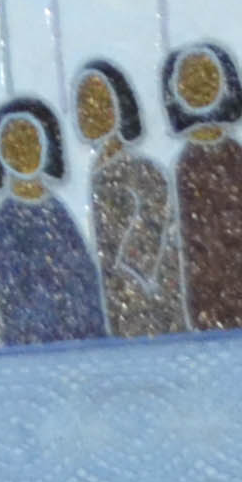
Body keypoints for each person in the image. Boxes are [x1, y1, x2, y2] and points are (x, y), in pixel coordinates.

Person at [164, 43, 242, 331]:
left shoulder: (240, 158)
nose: (198, 88)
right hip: (207, 298)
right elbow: (187, 239)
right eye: (189, 82)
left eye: (207, 78)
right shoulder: (185, 165)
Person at [73, 58, 186, 339]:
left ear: (120, 107)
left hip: (148, 295)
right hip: (117, 294)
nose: (90, 113)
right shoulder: (97, 172)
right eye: (83, 104)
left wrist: (130, 269)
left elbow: (157, 216)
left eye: (100, 102)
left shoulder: (140, 169)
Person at [0, 97, 107, 345]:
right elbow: (6, 284)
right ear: (2, 155)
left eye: (31, 142)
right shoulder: (6, 218)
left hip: (77, 332)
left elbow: (82, 273)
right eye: (12, 146)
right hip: (29, 336)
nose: (23, 153)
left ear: (45, 146)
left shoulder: (57, 211)